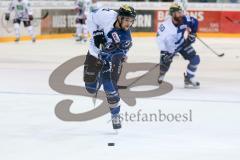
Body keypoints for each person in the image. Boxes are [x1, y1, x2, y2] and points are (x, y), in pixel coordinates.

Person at [84, 5, 136, 129]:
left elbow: (119, 55)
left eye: (131, 20)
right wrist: (95, 33)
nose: (129, 23)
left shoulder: (126, 37)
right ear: (119, 17)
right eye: (126, 20)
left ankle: (115, 115)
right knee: (90, 89)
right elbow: (90, 18)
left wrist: (117, 56)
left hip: (108, 60)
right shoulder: (106, 15)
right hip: (93, 54)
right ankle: (100, 79)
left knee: (110, 87)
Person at [156, 2, 200, 88]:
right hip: (169, 48)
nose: (181, 14)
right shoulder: (165, 26)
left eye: (182, 12)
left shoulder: (185, 20)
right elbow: (160, 40)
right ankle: (162, 73)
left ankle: (189, 78)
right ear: (173, 14)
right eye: (179, 13)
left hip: (181, 44)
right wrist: (164, 53)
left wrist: (192, 34)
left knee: (195, 59)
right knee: (165, 64)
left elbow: (195, 22)